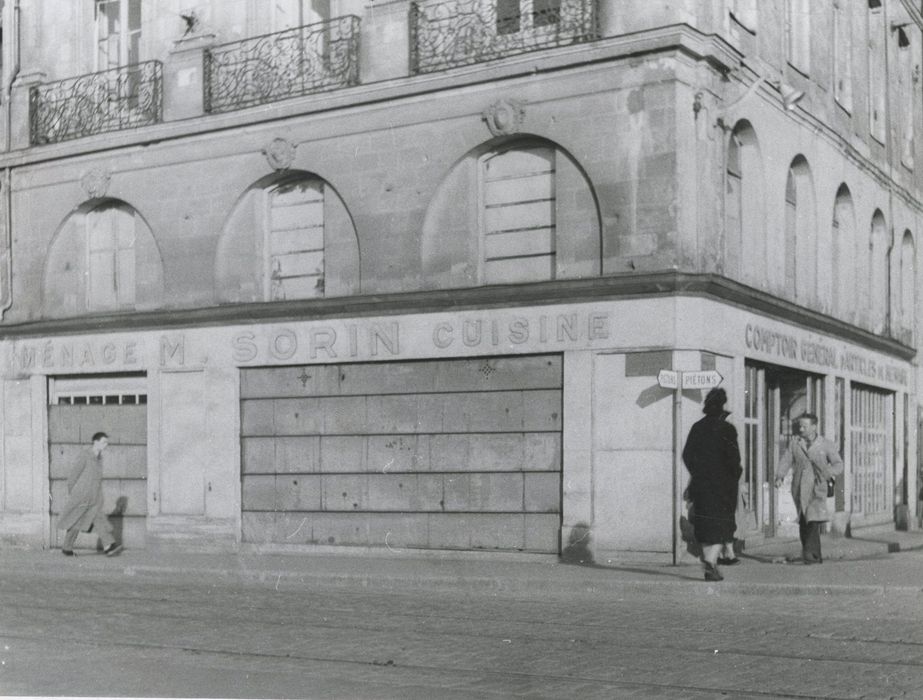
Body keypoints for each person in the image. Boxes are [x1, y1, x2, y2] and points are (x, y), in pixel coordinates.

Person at [682, 388, 742, 582]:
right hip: (723, 487)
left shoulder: (697, 427)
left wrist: (698, 474)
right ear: (722, 405)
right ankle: (710, 564)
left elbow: (687, 455)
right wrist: (733, 476)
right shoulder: (727, 429)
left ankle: (711, 564)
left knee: (706, 526)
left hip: (702, 486)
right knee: (723, 526)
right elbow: (735, 460)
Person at [774, 413, 843, 564]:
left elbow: (838, 465)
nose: (801, 428)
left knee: (812, 518)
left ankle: (811, 555)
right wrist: (780, 476)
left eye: (804, 425)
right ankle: (813, 555)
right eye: (799, 425)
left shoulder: (825, 444)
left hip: (817, 487)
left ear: (814, 426)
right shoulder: (795, 443)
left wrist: (828, 472)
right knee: (805, 520)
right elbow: (786, 459)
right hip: (798, 487)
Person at [57, 432, 123, 557]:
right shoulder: (85, 455)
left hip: (93, 498)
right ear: (96, 442)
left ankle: (67, 548)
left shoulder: (99, 459)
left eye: (107, 443)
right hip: (81, 497)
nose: (106, 445)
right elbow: (72, 476)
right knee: (81, 519)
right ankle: (109, 544)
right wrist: (75, 494)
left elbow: (97, 480)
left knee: (82, 519)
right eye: (104, 442)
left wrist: (99, 497)